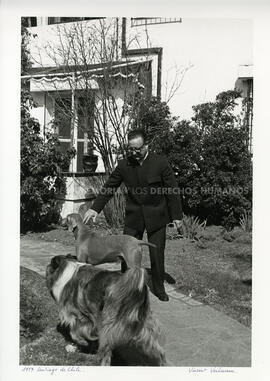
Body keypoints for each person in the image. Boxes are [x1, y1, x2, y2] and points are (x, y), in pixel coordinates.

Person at [84, 129, 183, 302]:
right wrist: (95, 208)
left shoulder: (160, 163)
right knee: (126, 252)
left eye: (138, 149)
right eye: (131, 149)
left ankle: (158, 288)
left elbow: (172, 190)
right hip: (134, 215)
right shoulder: (124, 165)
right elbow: (110, 187)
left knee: (157, 254)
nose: (135, 153)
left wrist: (177, 216)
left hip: (157, 214)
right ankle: (127, 288)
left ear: (146, 145)